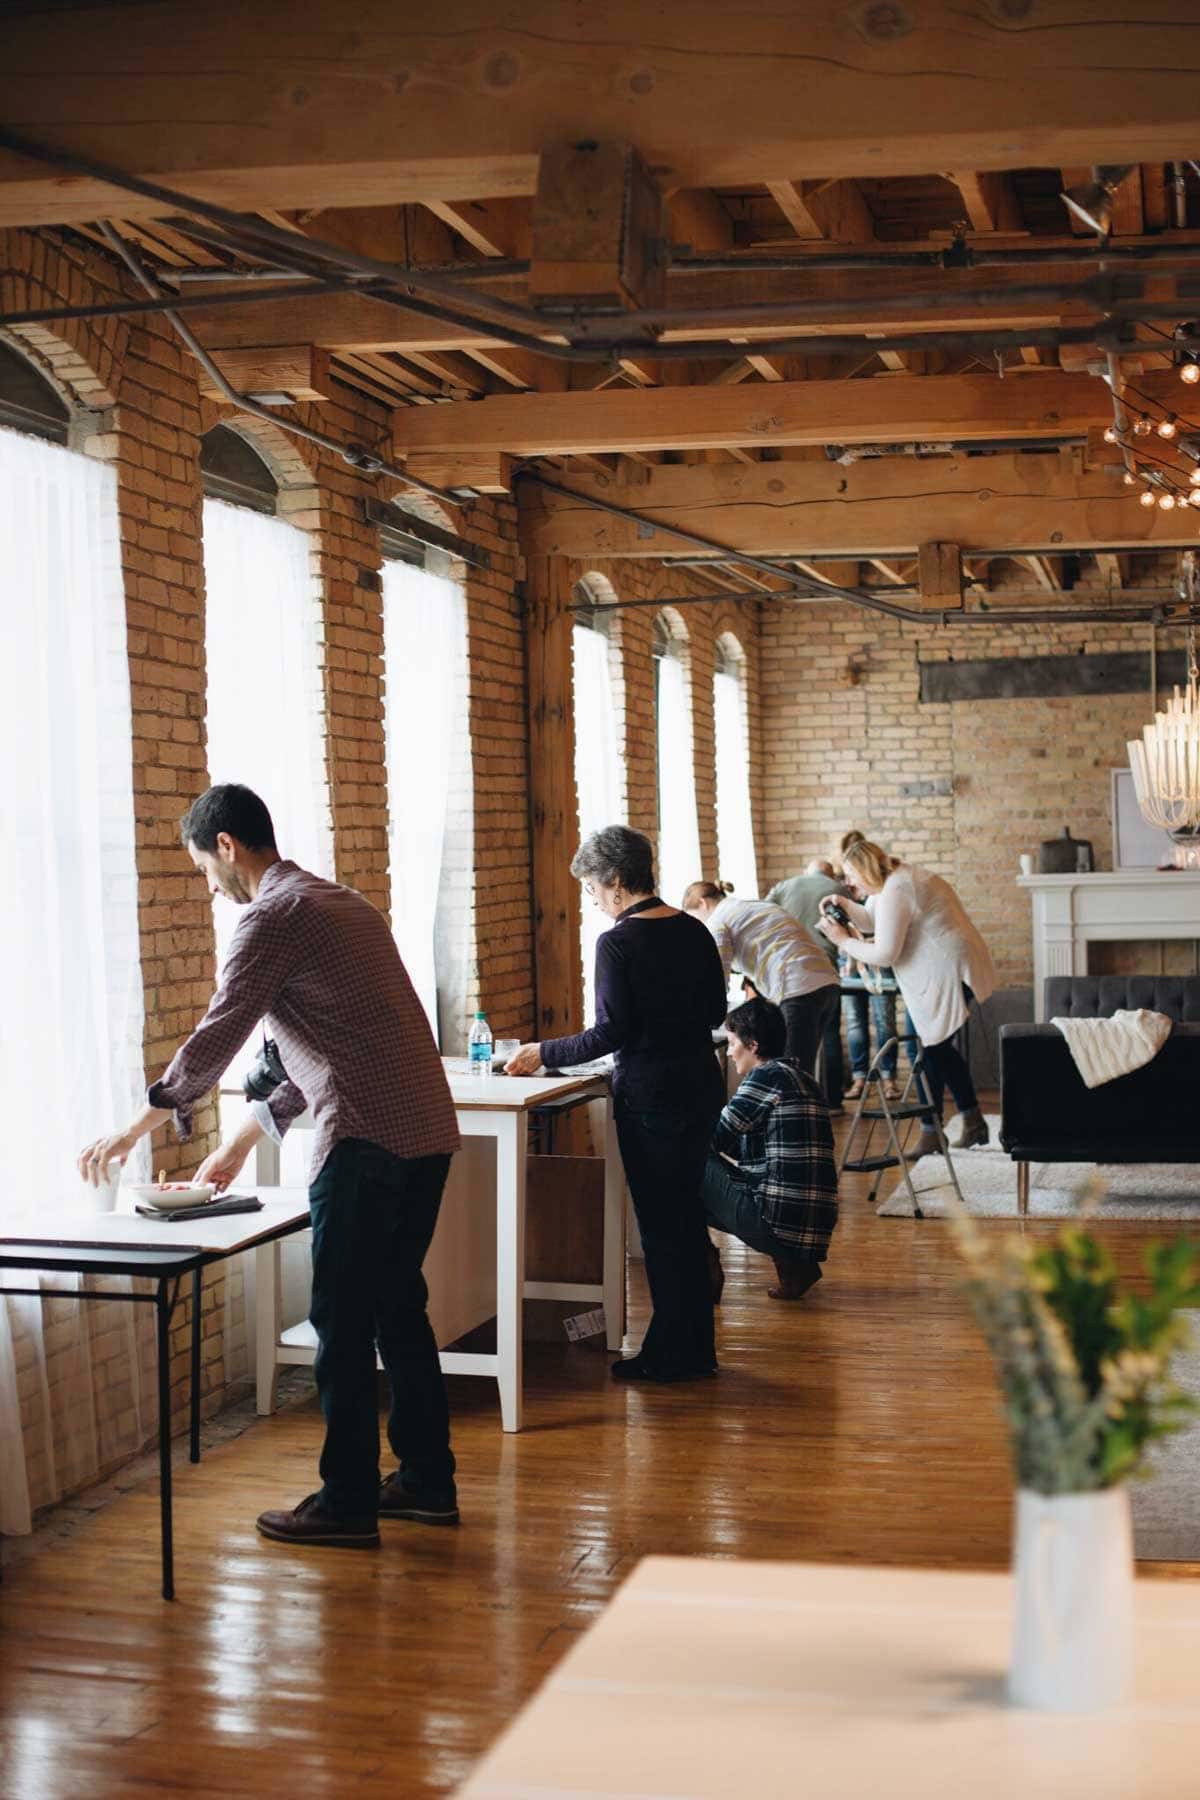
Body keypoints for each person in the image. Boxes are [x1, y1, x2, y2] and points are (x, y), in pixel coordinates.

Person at [77, 783, 461, 1550]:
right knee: (397, 1311)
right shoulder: (338, 903)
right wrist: (240, 1142)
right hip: (424, 1133)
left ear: (226, 846)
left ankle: (347, 1502)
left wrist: (134, 1127)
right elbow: (336, 1048)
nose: (207, 887)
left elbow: (219, 1035)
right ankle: (426, 1481)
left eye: (201, 867)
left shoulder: (267, 918)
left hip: (366, 1143)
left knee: (342, 1325)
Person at [506, 826, 727, 1383]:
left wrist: (542, 1051)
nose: (594, 901)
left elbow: (609, 1033)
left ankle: (672, 1356)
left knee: (661, 1228)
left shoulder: (619, 942)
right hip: (699, 1086)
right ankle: (694, 1349)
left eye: (593, 889)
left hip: (651, 1097)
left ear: (618, 883)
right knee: (686, 1221)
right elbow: (714, 1012)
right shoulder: (695, 930)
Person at [818, 837, 995, 1156]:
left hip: (948, 973)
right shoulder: (893, 880)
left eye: (850, 875)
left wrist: (842, 940)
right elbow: (874, 921)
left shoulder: (897, 889)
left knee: (928, 1050)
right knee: (935, 1049)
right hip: (946, 970)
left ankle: (935, 1131)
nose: (849, 882)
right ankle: (969, 1120)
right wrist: (844, 904)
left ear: (863, 869)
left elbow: (885, 952)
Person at [701, 997, 838, 1302]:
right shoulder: (803, 1079)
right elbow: (749, 1151)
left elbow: (710, 1142)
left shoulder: (765, 1077)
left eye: (733, 1042)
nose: (729, 1050)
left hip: (781, 1223)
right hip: (812, 1225)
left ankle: (704, 1271)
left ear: (753, 1044)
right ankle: (795, 1267)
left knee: (683, 1161)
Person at [681, 883, 839, 1087]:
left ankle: (794, 1118)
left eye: (694, 918)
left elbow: (718, 972)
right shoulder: (748, 906)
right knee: (799, 1072)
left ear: (703, 903)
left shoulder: (718, 919)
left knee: (789, 1076)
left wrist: (704, 1012)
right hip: (826, 982)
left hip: (797, 987)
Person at [765, 856, 852, 1107]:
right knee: (831, 1034)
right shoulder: (838, 890)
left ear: (807, 871)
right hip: (825, 968)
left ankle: (791, 1106)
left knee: (793, 1043)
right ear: (831, 874)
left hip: (789, 969)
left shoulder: (786, 885)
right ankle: (834, 1100)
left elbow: (765, 911)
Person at [835, 830, 906, 1104]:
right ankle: (860, 1077)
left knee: (884, 1020)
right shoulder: (840, 885)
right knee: (855, 1022)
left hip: (878, 952)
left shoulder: (885, 887)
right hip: (850, 956)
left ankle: (888, 1079)